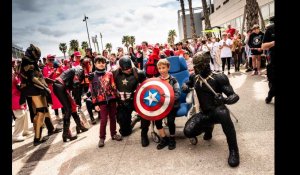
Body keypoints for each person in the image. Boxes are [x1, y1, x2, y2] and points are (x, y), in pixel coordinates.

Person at [183, 52, 240, 167]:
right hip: (204, 113)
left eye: (198, 66)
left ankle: (234, 150)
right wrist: (184, 86)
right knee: (188, 132)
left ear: (206, 65)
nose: (195, 69)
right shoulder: (194, 77)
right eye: (194, 66)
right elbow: (187, 84)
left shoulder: (219, 77)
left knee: (224, 114)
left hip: (217, 111)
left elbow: (234, 96)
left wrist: (224, 100)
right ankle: (208, 127)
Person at [19, 44, 52, 146]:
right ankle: (37, 138)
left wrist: (47, 83)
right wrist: (44, 86)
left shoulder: (31, 61)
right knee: (40, 112)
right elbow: (32, 78)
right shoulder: (27, 61)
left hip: (37, 88)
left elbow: (38, 76)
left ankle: (50, 128)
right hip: (33, 89)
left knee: (45, 109)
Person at [88, 56, 122, 147]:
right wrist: (95, 103)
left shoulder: (109, 74)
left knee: (113, 118)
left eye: (103, 62)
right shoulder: (92, 76)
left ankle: (113, 134)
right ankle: (102, 138)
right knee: (103, 120)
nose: (101, 64)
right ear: (95, 64)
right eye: (99, 62)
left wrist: (116, 98)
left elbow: (113, 86)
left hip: (112, 100)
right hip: (101, 101)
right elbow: (92, 91)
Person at [53, 59, 89, 142]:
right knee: (68, 109)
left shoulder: (79, 69)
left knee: (72, 107)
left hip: (61, 86)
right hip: (60, 86)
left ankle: (79, 126)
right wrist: (77, 100)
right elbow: (76, 83)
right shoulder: (80, 69)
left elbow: (74, 83)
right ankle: (66, 133)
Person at [112, 56, 146, 137]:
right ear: (120, 67)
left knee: (146, 115)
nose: (128, 70)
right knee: (125, 132)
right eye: (125, 69)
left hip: (135, 100)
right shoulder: (114, 73)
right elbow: (104, 78)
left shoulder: (139, 73)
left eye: (129, 68)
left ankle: (140, 118)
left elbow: (147, 86)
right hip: (122, 103)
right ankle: (135, 119)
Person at [154, 59, 181, 150]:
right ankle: (164, 138)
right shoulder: (157, 80)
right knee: (157, 120)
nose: (161, 70)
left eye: (163, 68)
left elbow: (178, 93)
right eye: (159, 68)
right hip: (161, 105)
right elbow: (154, 93)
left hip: (172, 105)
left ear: (168, 68)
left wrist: (169, 98)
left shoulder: (173, 80)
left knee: (170, 121)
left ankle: (172, 139)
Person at [261, 17, 275, 104]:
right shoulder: (270, 29)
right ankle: (270, 95)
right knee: (273, 81)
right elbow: (263, 46)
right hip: (274, 59)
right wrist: (273, 43)